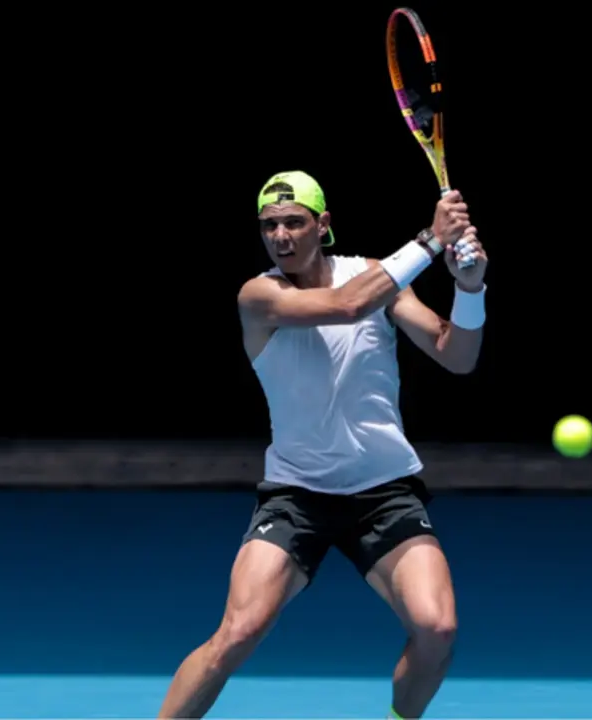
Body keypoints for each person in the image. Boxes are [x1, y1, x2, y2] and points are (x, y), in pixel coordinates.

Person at [157, 170, 488, 719]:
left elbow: (458, 356)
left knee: (437, 628)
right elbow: (346, 308)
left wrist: (470, 289)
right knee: (237, 632)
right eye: (269, 225)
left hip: (384, 493)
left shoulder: (378, 279)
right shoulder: (258, 296)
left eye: (294, 222)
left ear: (323, 225)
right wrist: (431, 241)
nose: (280, 236)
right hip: (297, 496)